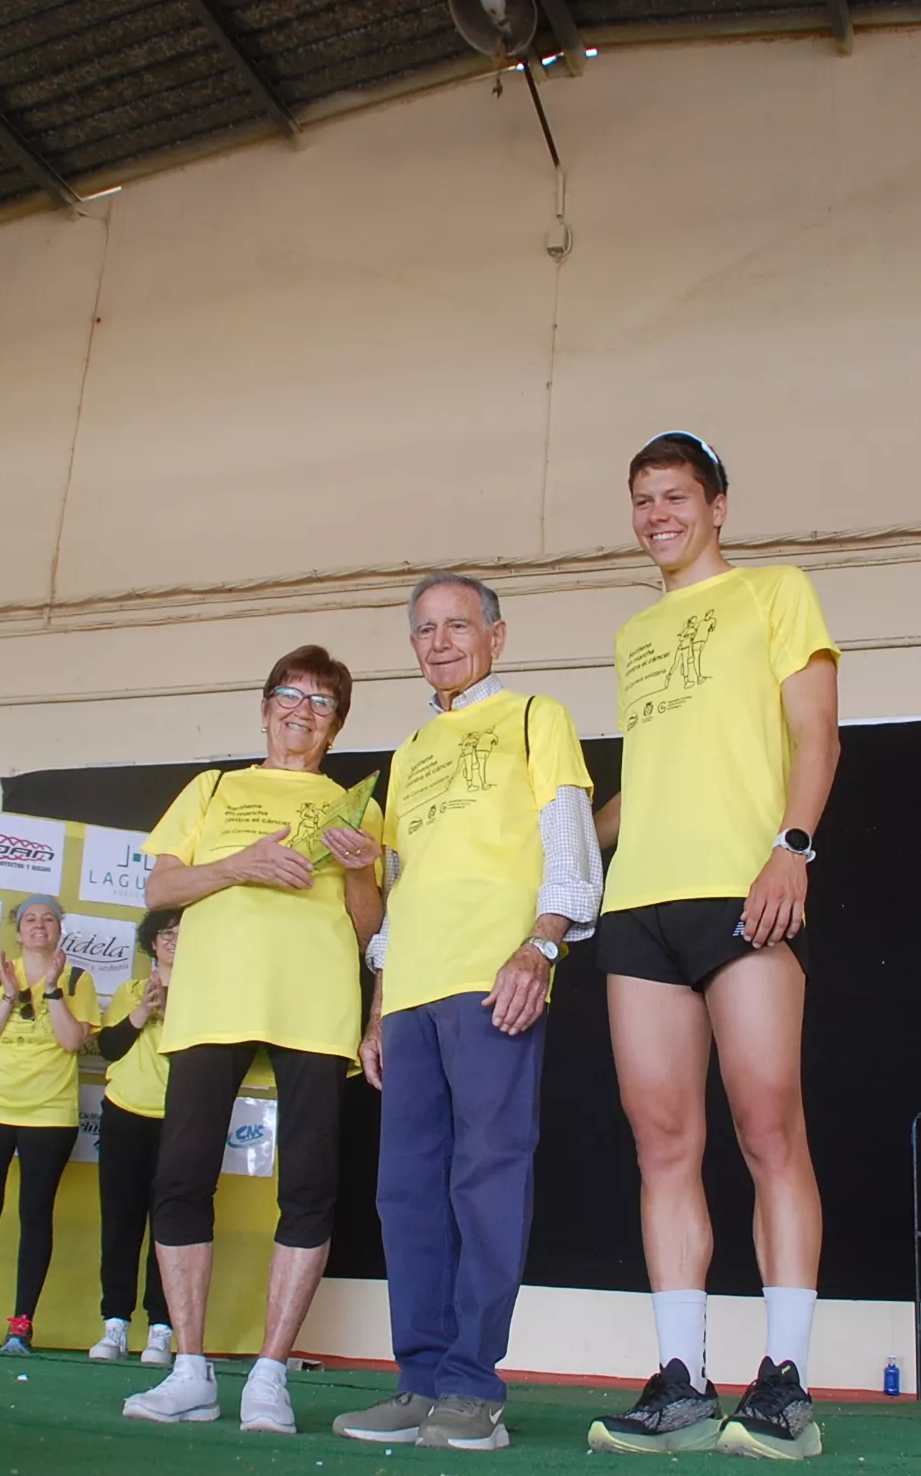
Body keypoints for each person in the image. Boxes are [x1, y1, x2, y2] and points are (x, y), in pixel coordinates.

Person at [587, 433, 840, 1461]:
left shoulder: (776, 593)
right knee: (662, 1143)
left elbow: (817, 735)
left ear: (718, 504)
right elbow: (647, 787)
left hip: (744, 896)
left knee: (769, 1127)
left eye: (675, 495)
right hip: (638, 903)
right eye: (642, 498)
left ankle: (785, 1383)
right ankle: (683, 1382)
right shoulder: (634, 633)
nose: (658, 513)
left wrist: (793, 847)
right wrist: (556, 846)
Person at [330, 573, 601, 1452]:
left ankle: (473, 1391)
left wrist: (542, 947)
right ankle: (419, 1382)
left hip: (495, 981)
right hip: (408, 992)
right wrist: (375, 1008)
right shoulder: (407, 751)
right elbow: (398, 892)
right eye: (425, 630)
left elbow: (568, 838)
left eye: (458, 625)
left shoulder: (534, 718)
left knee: (486, 1181)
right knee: (404, 1192)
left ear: (497, 635)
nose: (441, 641)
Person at [122, 645, 384, 1433]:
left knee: (309, 1187)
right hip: (212, 1002)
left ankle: (270, 1374)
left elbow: (369, 927)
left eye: (321, 703)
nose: (301, 711)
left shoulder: (357, 807)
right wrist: (243, 865)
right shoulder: (213, 788)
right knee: (180, 1178)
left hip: (316, 1006)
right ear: (265, 705)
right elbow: (161, 887)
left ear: (336, 726)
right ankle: (191, 1368)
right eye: (289, 695)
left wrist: (365, 873)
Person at [0, 894, 95, 1354]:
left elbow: (72, 1042)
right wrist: (10, 994)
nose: (39, 925)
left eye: (48, 919)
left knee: (35, 1215)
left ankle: (22, 1324)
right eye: (30, 919)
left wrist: (51, 990)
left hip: (49, 1114)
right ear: (17, 930)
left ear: (59, 929)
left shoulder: (77, 978)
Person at [89, 907, 179, 1366]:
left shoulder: (208, 992)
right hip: (125, 1114)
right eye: (165, 933)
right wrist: (144, 1009)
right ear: (150, 941)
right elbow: (108, 1048)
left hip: (181, 1120)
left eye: (182, 933)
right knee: (121, 1224)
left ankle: (161, 1330)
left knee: (172, 1226)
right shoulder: (128, 990)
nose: (172, 940)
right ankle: (115, 1325)